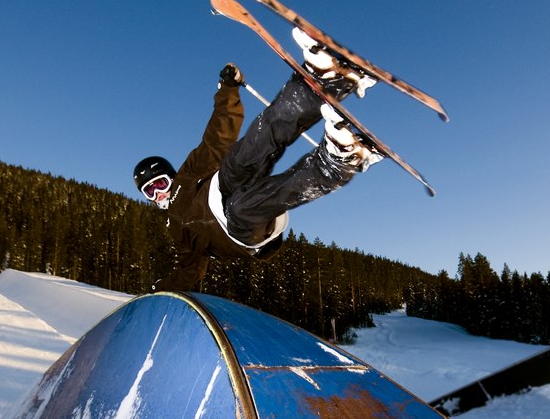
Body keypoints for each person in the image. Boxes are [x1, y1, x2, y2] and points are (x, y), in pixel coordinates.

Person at [133, 32, 381, 292]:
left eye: (159, 183)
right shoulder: (175, 230)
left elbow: (216, 139)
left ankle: (322, 84)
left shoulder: (186, 177)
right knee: (241, 208)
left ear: (170, 176)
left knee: (246, 153)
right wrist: (160, 289)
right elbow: (190, 270)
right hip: (238, 232)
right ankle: (337, 162)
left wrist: (227, 92)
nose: (158, 193)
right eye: (149, 191)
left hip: (220, 188)